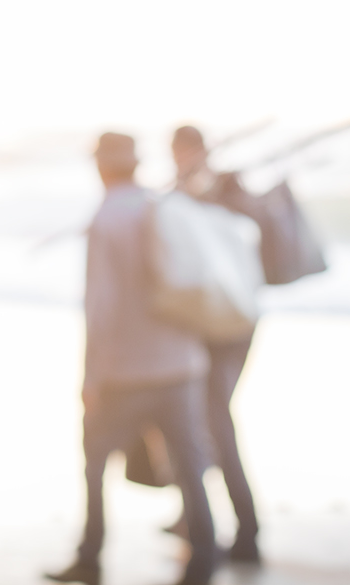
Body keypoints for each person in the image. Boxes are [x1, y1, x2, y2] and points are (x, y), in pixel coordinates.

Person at [47, 133, 216, 585]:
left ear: (100, 167)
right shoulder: (163, 205)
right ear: (137, 163)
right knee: (189, 465)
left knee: (96, 465)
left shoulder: (106, 219)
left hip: (126, 372)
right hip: (182, 364)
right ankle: (204, 559)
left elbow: (100, 308)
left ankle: (90, 557)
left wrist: (91, 377)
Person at [172, 125, 262, 564]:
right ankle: (192, 516)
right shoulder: (197, 191)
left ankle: (248, 531)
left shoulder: (217, 189)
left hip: (225, 327)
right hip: (233, 320)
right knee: (201, 420)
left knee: (215, 421)